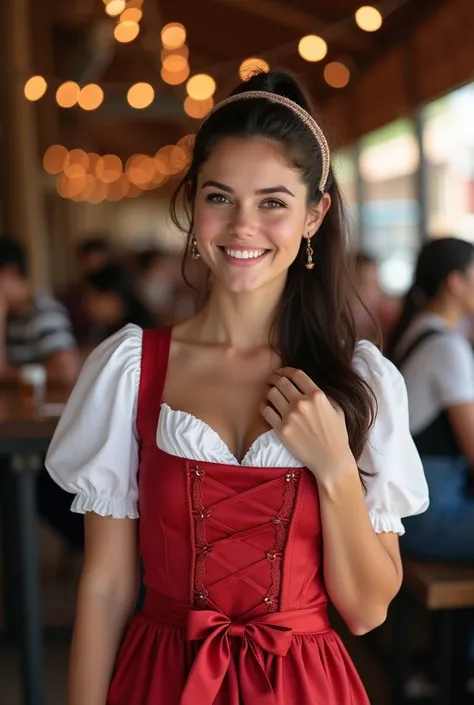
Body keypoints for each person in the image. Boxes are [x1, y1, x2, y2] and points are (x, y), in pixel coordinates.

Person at [45, 71, 428, 705]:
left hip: (305, 687)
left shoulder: (359, 383)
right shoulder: (131, 370)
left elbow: (365, 611)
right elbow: (106, 586)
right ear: (193, 204)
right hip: (163, 681)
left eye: (274, 202)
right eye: (221, 197)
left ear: (314, 214)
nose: (243, 226)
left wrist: (334, 467)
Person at [387, 237, 474, 561]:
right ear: (455, 282)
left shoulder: (418, 330)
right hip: (434, 517)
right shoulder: (447, 348)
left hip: (412, 514)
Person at [0, 236, 79, 386]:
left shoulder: (44, 313)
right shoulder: (8, 316)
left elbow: (66, 372)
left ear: (8, 274)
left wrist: (8, 375)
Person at [84, 263, 156, 341]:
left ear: (113, 299)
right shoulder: (109, 328)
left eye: (95, 302)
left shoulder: (137, 335)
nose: (88, 308)